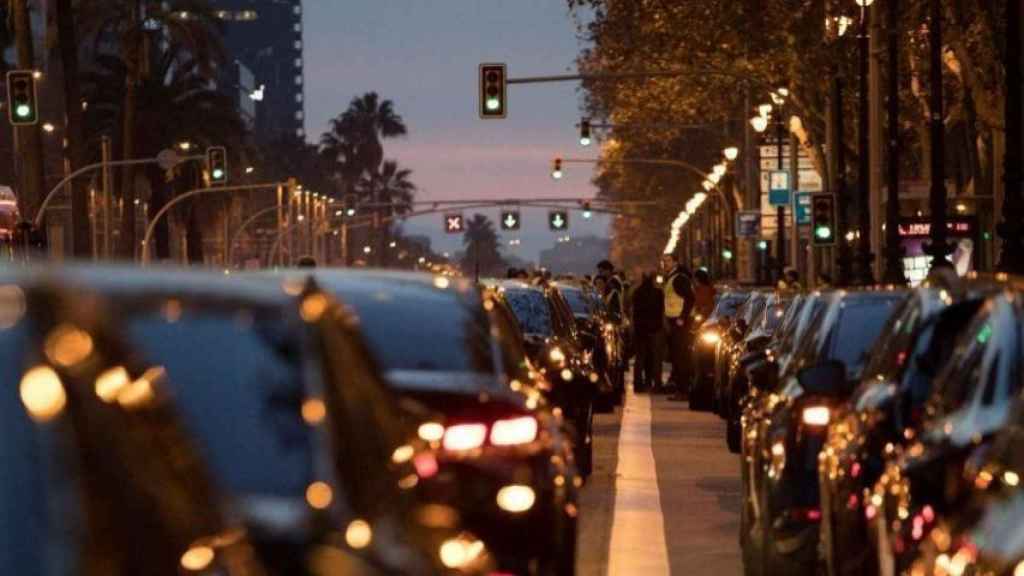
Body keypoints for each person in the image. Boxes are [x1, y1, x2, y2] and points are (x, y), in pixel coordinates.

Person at [661, 253, 695, 401]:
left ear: (676, 262)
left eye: (668, 261)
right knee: (677, 356)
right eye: (664, 261)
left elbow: (690, 298)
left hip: (680, 323)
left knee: (681, 357)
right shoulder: (673, 278)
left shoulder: (679, 278)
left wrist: (682, 317)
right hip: (675, 321)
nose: (665, 264)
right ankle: (681, 389)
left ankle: (683, 390)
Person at [631, 272, 664, 392]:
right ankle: (657, 384)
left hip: (640, 329)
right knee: (656, 358)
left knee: (640, 358)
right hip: (655, 328)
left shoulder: (637, 292)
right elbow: (661, 310)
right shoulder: (658, 293)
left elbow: (634, 311)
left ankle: (638, 383)